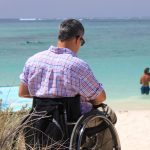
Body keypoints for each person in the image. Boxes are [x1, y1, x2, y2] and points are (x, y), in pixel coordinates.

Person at [18, 19, 106, 149]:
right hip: (71, 124)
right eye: (82, 42)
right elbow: (100, 97)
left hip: (39, 122)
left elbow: (23, 93)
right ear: (78, 38)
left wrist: (47, 95)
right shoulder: (77, 65)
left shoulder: (33, 60)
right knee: (109, 115)